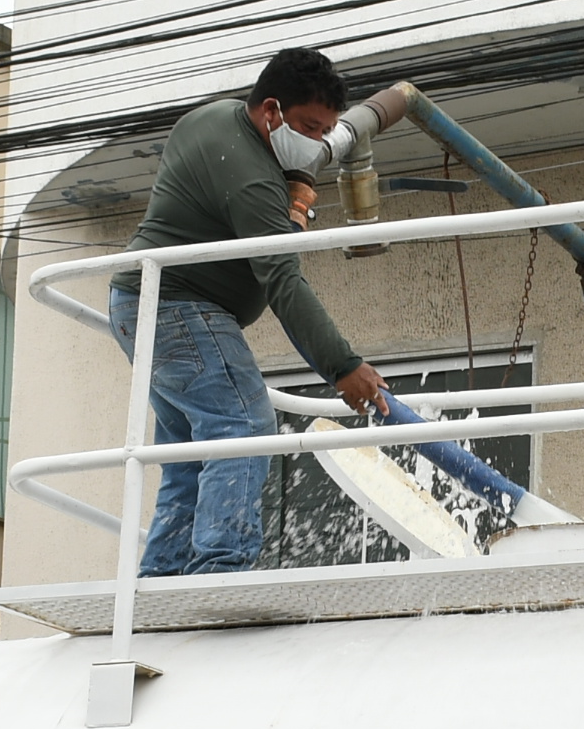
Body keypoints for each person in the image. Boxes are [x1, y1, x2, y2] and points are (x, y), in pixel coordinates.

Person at [111, 50, 414, 574]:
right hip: (179, 309)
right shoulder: (251, 176)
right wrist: (342, 366)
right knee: (243, 424)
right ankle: (221, 570)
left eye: (327, 132)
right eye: (309, 128)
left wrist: (290, 201)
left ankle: (162, 577)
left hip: (140, 305)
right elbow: (281, 279)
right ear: (271, 111)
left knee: (189, 456)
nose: (317, 142)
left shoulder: (215, 118)